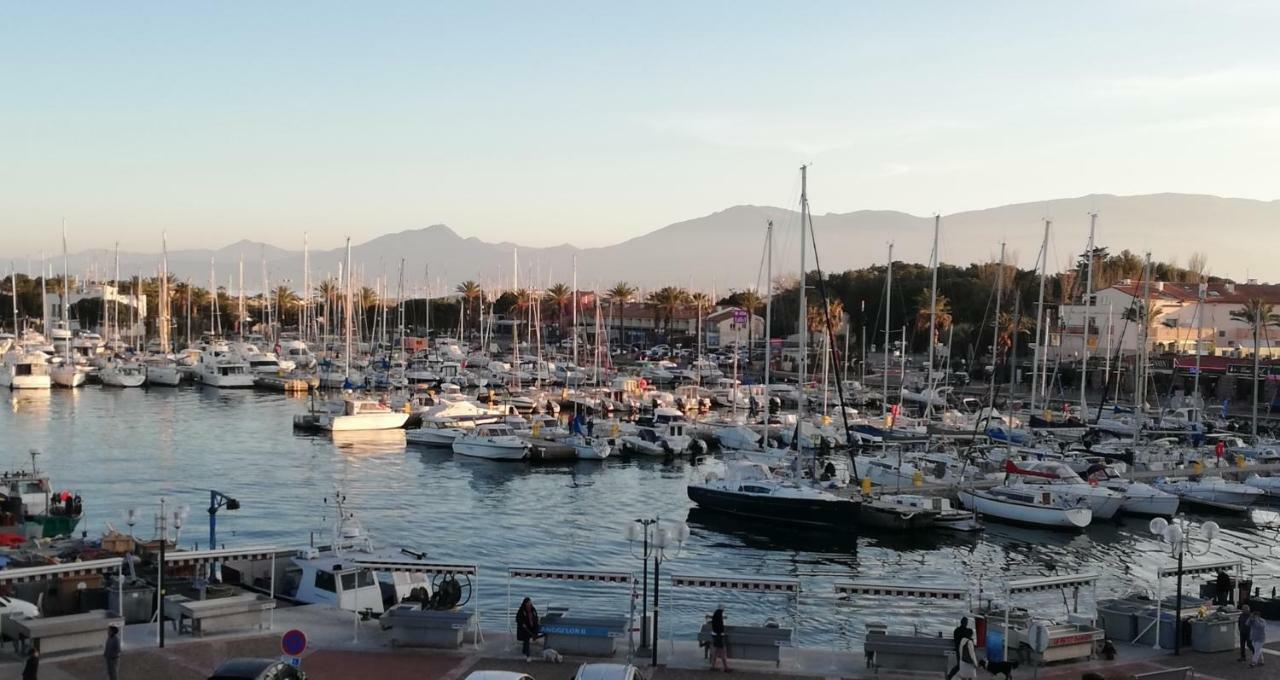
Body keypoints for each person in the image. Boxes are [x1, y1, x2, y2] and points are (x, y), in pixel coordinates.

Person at [515, 597, 540, 661]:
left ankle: (524, 651)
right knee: (526, 639)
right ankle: (528, 655)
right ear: (525, 603)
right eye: (528, 603)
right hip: (524, 628)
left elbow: (536, 618)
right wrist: (522, 624)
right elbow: (517, 619)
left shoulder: (533, 609)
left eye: (530, 602)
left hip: (532, 627)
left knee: (536, 629)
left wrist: (536, 623)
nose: (529, 604)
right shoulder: (521, 610)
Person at [709, 605, 730, 672]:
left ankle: (713, 666)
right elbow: (720, 627)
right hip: (719, 636)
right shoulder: (719, 615)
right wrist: (722, 633)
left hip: (714, 635)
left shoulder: (716, 614)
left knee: (716, 651)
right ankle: (726, 668)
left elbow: (715, 621)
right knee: (723, 651)